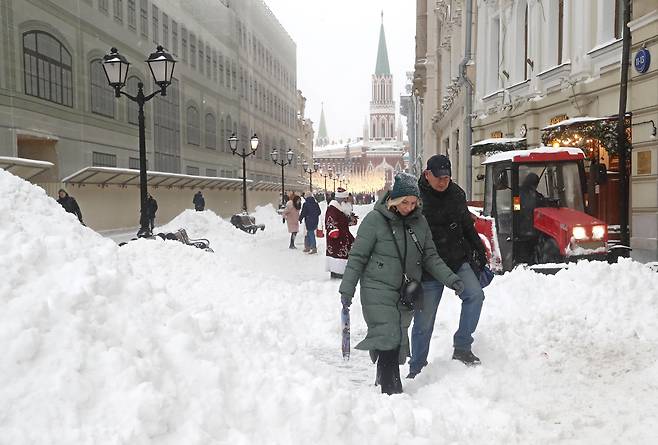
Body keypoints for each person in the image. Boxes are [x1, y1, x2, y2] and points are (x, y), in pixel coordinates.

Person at [339, 173, 464, 395]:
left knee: (397, 335)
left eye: (413, 202)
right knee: (389, 335)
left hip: (405, 292)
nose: (409, 207)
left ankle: (383, 379)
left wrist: (451, 279)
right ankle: (391, 390)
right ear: (394, 200)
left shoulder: (420, 222)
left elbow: (430, 257)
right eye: (404, 202)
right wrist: (347, 290)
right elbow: (357, 257)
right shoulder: (375, 221)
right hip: (377, 289)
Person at [408, 154, 488, 377]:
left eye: (447, 177)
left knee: (475, 296)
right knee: (424, 322)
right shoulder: (415, 198)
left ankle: (462, 347)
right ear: (427, 174)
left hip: (456, 260)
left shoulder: (456, 194)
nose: (443, 181)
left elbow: (466, 225)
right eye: (439, 177)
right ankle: (417, 367)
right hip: (428, 269)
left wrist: (479, 251)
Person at [325, 187, 355, 279]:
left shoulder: (341, 209)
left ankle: (342, 272)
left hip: (344, 237)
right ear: (342, 199)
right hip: (337, 239)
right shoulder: (332, 209)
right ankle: (337, 273)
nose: (347, 202)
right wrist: (333, 231)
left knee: (345, 254)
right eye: (346, 200)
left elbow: (344, 220)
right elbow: (330, 221)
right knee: (337, 256)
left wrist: (351, 220)